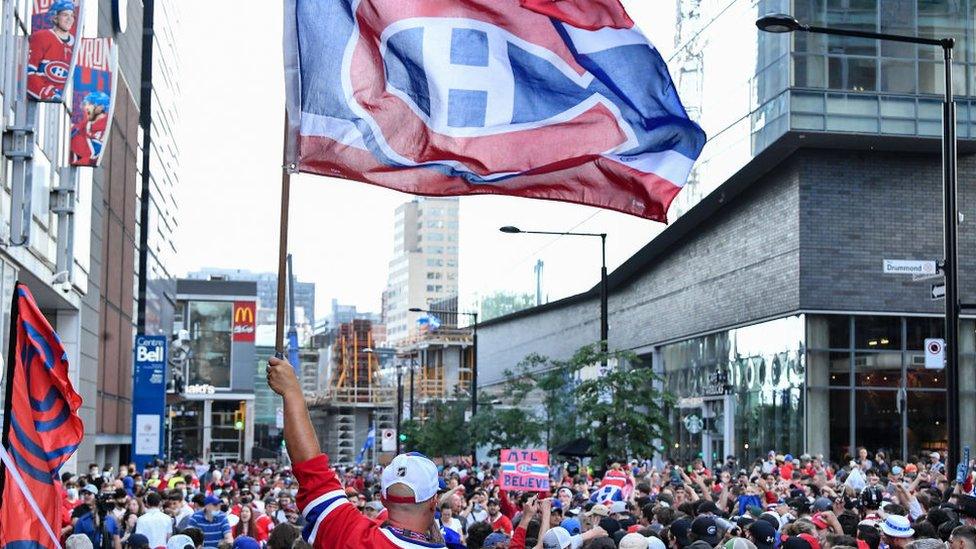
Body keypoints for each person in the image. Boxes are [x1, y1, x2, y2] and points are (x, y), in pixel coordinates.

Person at [267, 355, 447, 547]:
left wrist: (291, 390)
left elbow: (310, 468)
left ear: (383, 500)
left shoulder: (352, 536)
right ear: (433, 501)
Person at [26, 0, 75, 100]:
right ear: (55, 17)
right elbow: (29, 72)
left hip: (61, 99)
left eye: (72, 15)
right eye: (65, 15)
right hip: (42, 96)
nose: (70, 19)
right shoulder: (42, 37)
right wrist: (46, 93)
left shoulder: (76, 44)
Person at [70, 91, 110, 165]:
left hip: (86, 172)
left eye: (90, 104)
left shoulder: (106, 128)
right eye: (86, 104)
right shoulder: (87, 122)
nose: (86, 107)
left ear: (100, 107)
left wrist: (72, 135)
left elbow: (92, 152)